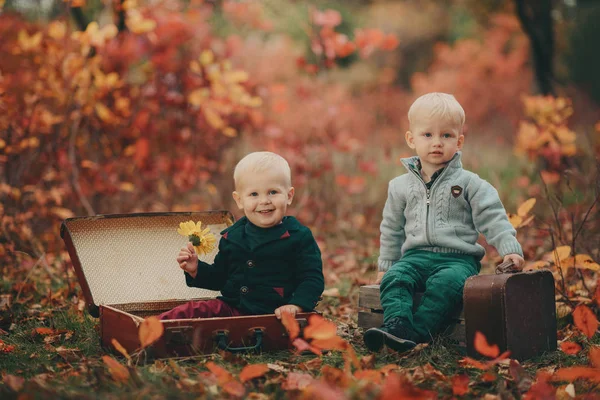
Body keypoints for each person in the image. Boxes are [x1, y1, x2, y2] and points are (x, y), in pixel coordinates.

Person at [363, 92, 524, 353]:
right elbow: (391, 228)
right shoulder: (399, 186)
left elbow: (492, 217)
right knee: (395, 279)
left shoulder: (470, 184)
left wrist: (510, 249)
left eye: (446, 135)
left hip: (457, 260)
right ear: (411, 139)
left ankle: (417, 333)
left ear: (459, 141)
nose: (437, 143)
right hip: (414, 257)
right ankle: (397, 325)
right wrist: (386, 265)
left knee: (445, 285)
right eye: (428, 135)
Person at [159, 151, 324, 320]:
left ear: (289, 196)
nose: (264, 201)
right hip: (232, 309)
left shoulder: (299, 237)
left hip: (276, 316)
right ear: (239, 200)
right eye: (254, 194)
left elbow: (312, 278)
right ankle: (147, 328)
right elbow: (220, 278)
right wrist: (196, 270)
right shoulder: (232, 237)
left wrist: (296, 305)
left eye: (273, 192)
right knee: (194, 310)